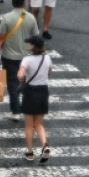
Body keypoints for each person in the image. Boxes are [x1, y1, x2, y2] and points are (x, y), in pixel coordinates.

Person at [0, 0, 40, 121]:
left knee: (12, 83)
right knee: (26, 82)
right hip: (26, 57)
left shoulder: (7, 18)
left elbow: (0, 38)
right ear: (24, 3)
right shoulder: (31, 18)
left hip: (9, 57)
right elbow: (36, 38)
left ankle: (15, 111)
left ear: (12, 3)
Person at [19, 34, 52, 162]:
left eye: (30, 43)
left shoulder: (27, 60)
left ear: (33, 46)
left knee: (29, 125)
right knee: (38, 123)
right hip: (43, 91)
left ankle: (30, 152)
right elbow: (49, 72)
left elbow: (20, 75)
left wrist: (22, 77)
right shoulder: (47, 58)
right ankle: (44, 145)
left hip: (30, 92)